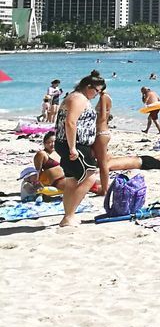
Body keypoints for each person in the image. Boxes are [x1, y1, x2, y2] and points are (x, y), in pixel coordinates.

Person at [52, 71, 108, 226]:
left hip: (70, 143)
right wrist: (73, 148)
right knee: (89, 177)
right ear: (88, 86)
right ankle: (69, 216)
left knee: (72, 181)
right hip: (74, 144)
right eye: (96, 90)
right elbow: (70, 122)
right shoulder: (78, 98)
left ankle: (69, 215)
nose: (97, 94)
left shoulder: (74, 97)